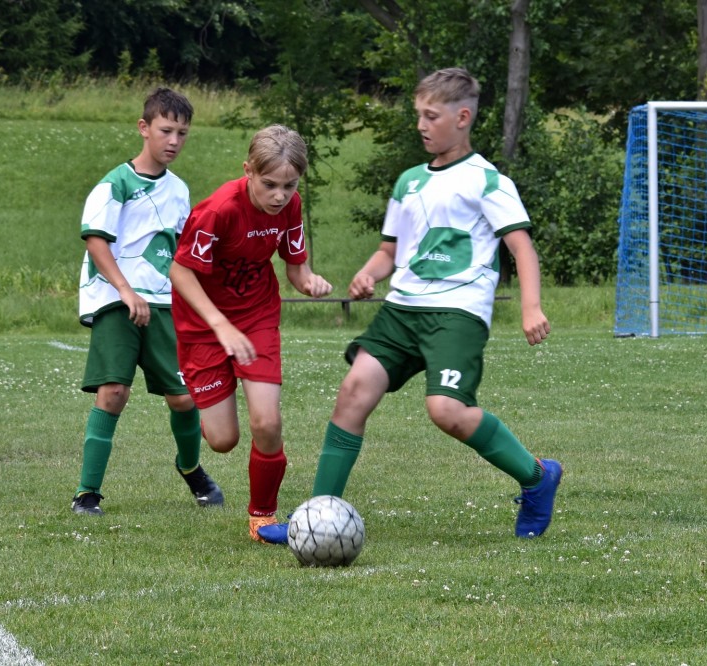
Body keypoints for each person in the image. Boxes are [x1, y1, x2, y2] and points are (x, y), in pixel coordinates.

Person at [259, 67, 562, 545]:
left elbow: (521, 246)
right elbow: (391, 251)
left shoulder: (488, 181)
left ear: (462, 118)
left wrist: (531, 307)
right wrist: (368, 274)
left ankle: (537, 477)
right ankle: (315, 519)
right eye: (418, 114)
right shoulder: (409, 182)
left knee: (447, 410)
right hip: (401, 310)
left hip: (457, 312)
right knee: (353, 392)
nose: (421, 124)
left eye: (431, 115)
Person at [169, 124, 333, 542]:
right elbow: (180, 271)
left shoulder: (291, 206)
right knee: (223, 440)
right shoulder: (218, 210)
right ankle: (201, 408)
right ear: (248, 171)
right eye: (270, 185)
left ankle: (262, 517)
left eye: (290, 186)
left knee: (267, 421)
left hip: (256, 315)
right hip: (204, 326)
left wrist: (310, 282)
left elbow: (296, 268)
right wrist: (220, 325)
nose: (280, 196)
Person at [73, 87, 224, 516]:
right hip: (115, 300)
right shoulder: (115, 183)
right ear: (144, 128)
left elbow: (182, 253)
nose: (174, 141)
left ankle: (190, 468)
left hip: (165, 304)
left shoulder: (179, 190)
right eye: (165, 130)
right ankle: (87, 493)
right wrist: (125, 290)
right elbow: (96, 241)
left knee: (184, 399)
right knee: (113, 392)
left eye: (182, 133)